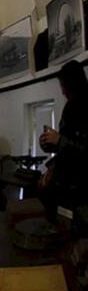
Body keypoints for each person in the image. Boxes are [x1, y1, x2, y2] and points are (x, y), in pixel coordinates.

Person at [39, 60, 88, 234]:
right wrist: (48, 144)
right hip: (64, 183)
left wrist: (59, 141)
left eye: (64, 85)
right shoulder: (69, 108)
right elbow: (64, 146)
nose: (62, 91)